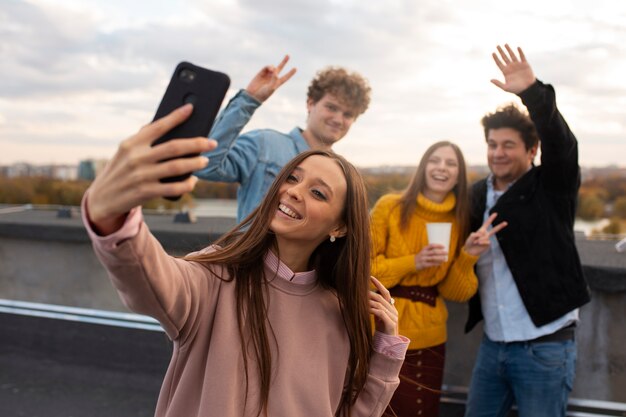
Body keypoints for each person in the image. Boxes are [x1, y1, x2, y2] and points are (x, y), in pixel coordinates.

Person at [81, 103, 408, 417]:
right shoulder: (216, 278)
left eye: (318, 192)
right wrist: (114, 215)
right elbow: (148, 277)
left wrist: (386, 348)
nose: (293, 191)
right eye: (292, 178)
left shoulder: (341, 312)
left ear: (340, 226)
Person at [464, 44, 591, 417]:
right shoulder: (474, 195)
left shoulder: (551, 185)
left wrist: (532, 92)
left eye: (508, 145)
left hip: (545, 346)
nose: (498, 153)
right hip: (492, 344)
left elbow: (564, 146)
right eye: (491, 144)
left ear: (532, 149)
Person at [370, 141, 507, 417]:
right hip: (382, 331)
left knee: (423, 410)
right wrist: (414, 261)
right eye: (435, 160)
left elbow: (456, 292)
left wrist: (468, 256)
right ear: (423, 167)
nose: (441, 168)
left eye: (451, 163)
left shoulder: (459, 219)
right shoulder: (390, 207)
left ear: (458, 175)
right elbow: (364, 270)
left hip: (432, 337)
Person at [195, 55, 372, 222]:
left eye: (348, 114)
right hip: (251, 254)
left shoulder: (341, 175)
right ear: (310, 103)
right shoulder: (264, 144)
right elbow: (205, 166)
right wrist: (248, 101)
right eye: (331, 107)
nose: (338, 119)